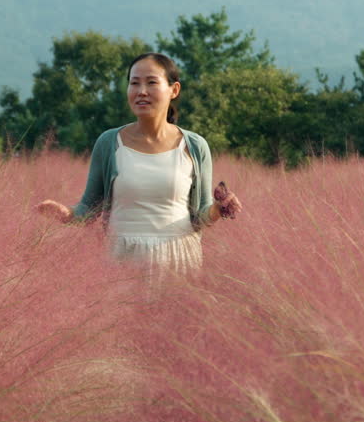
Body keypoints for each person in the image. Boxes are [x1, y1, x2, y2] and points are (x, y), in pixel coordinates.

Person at [34, 52, 241, 272]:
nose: (141, 91)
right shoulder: (109, 142)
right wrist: (67, 214)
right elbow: (89, 208)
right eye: (134, 83)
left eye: (151, 82)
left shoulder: (195, 146)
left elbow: (200, 216)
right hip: (120, 260)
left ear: (174, 90)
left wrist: (218, 209)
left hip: (179, 261)